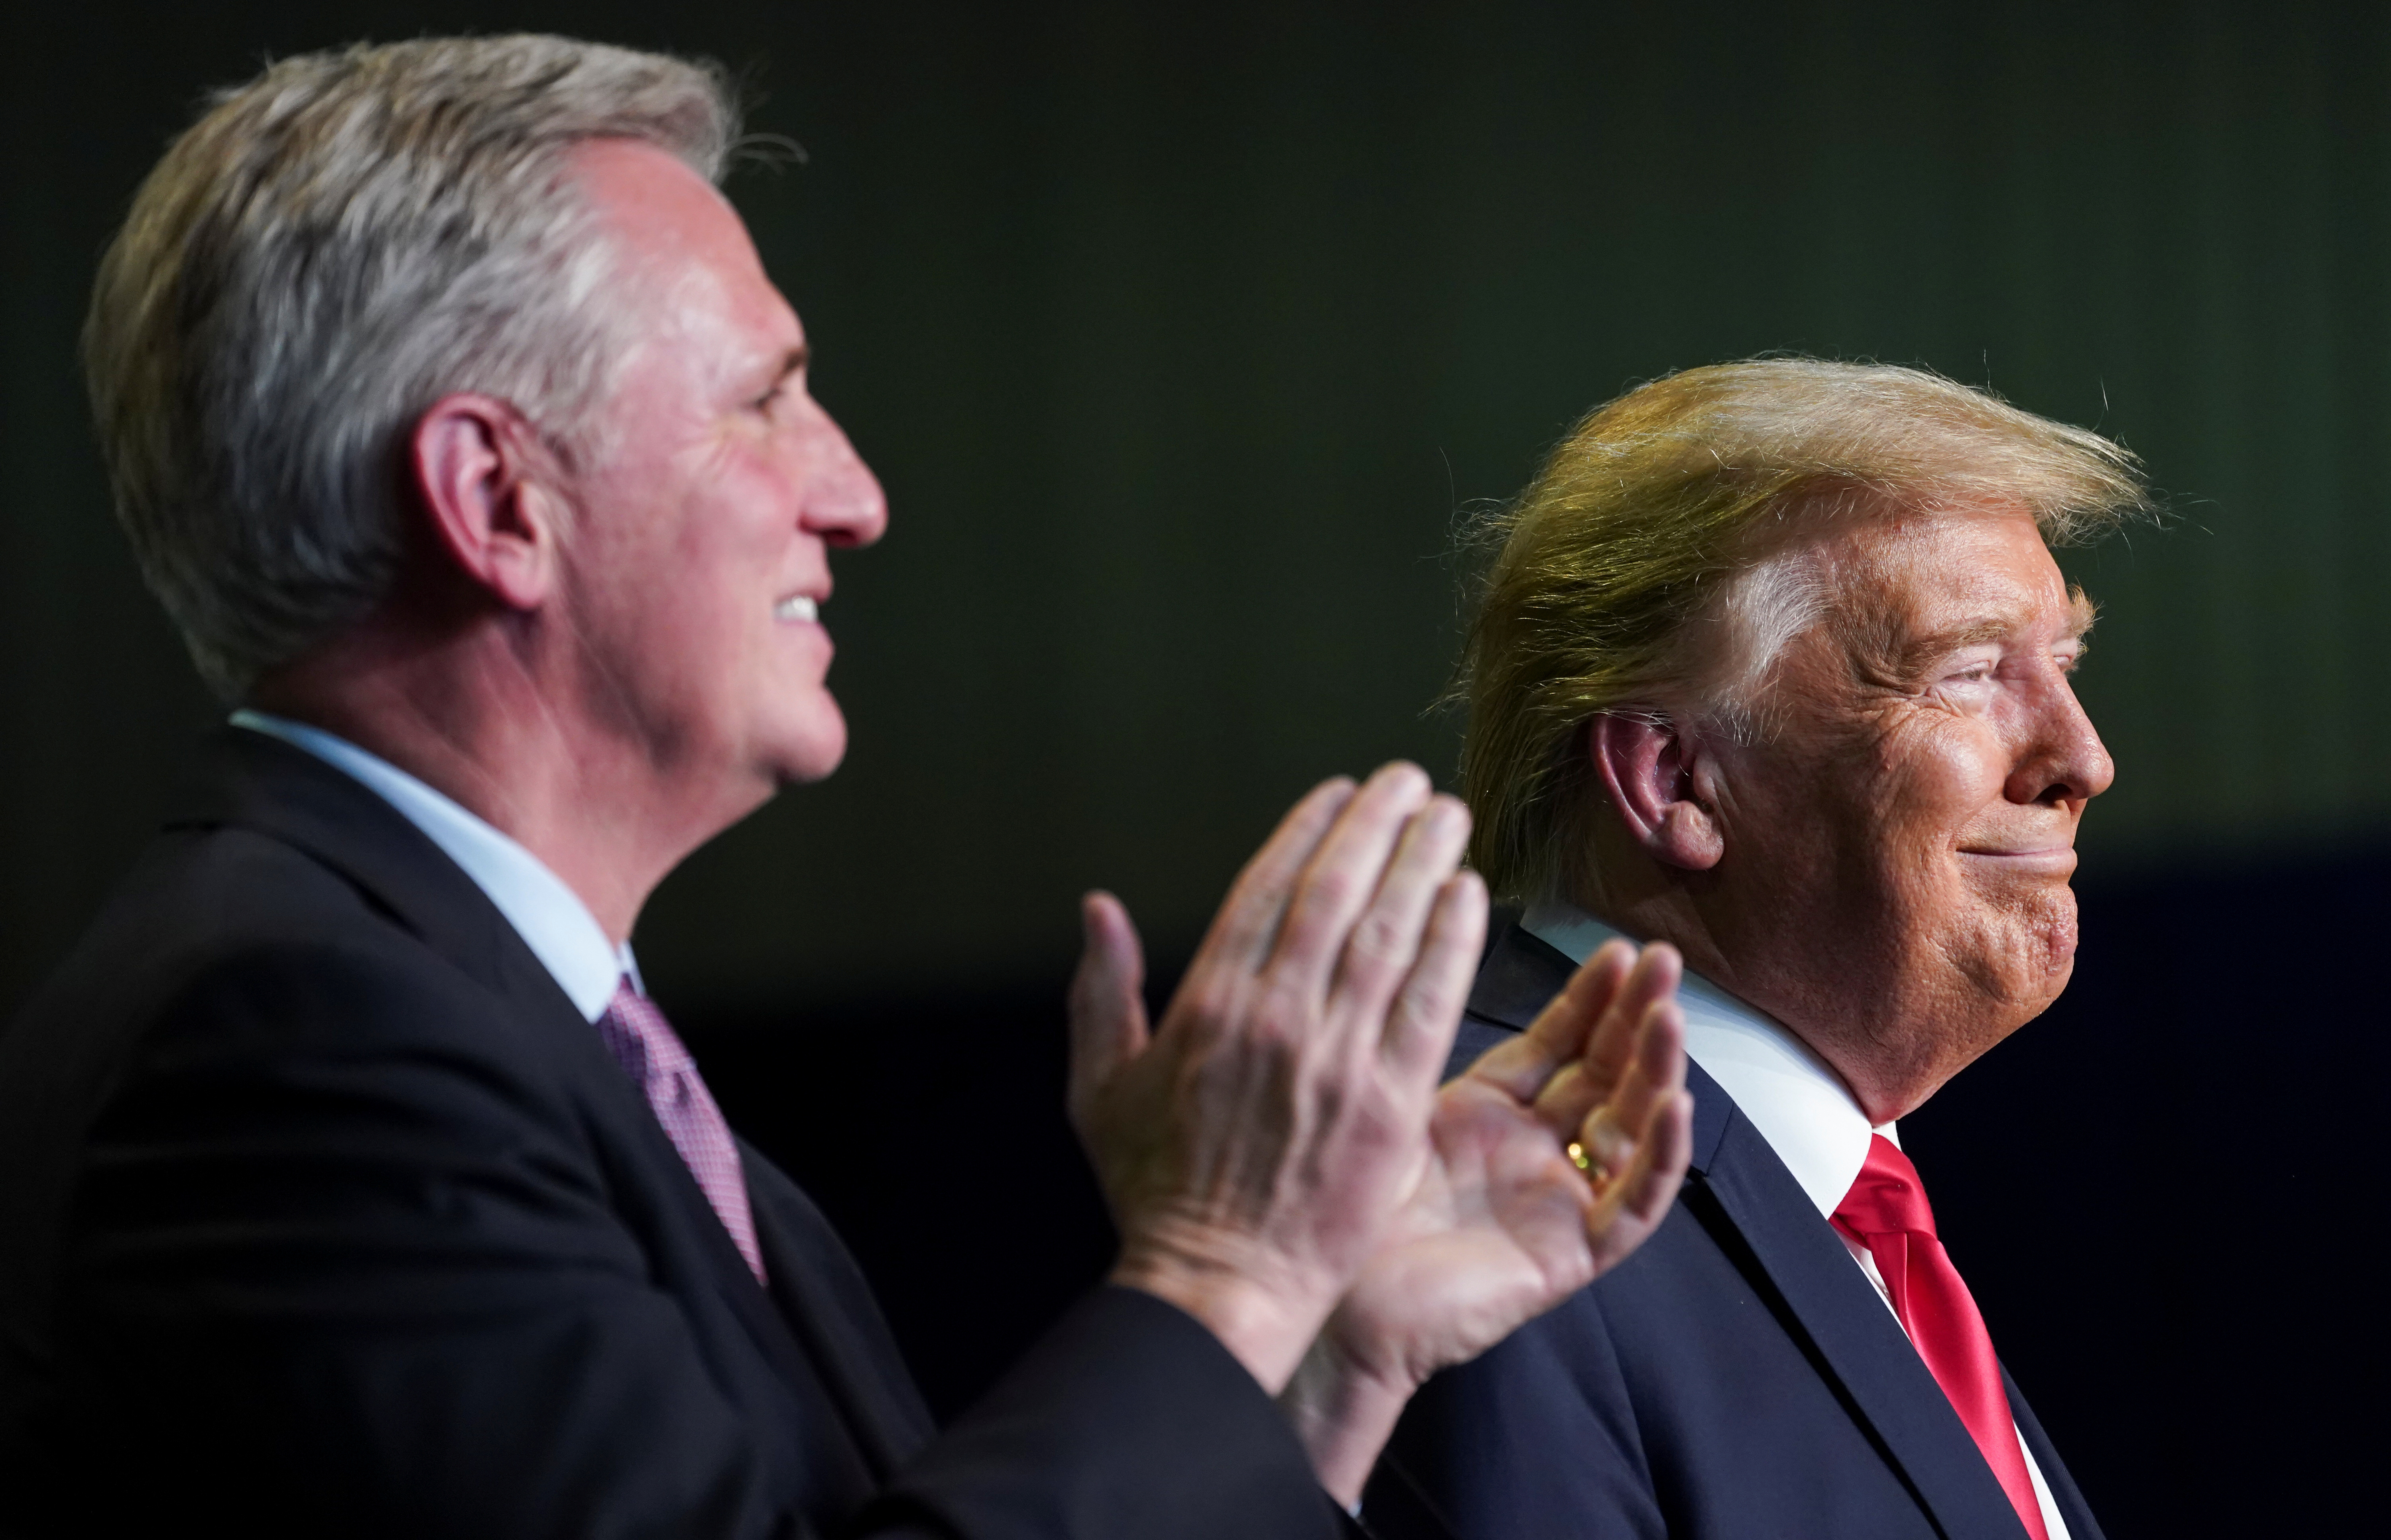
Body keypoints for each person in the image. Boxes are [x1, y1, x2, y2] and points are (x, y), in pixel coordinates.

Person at [0, 35, 1695, 1540]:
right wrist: (1219, 1271)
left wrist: (1315, 1365)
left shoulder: (529, 1046)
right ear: (496, 500)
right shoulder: (291, 1046)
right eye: (768, 400)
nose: (857, 495)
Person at [1364, 359, 2146, 1540]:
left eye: (2064, 666)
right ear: (1676, 779)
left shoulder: (1842, 1209)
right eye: (1973, 671)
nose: (2081, 760)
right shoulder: (1481, 1188)